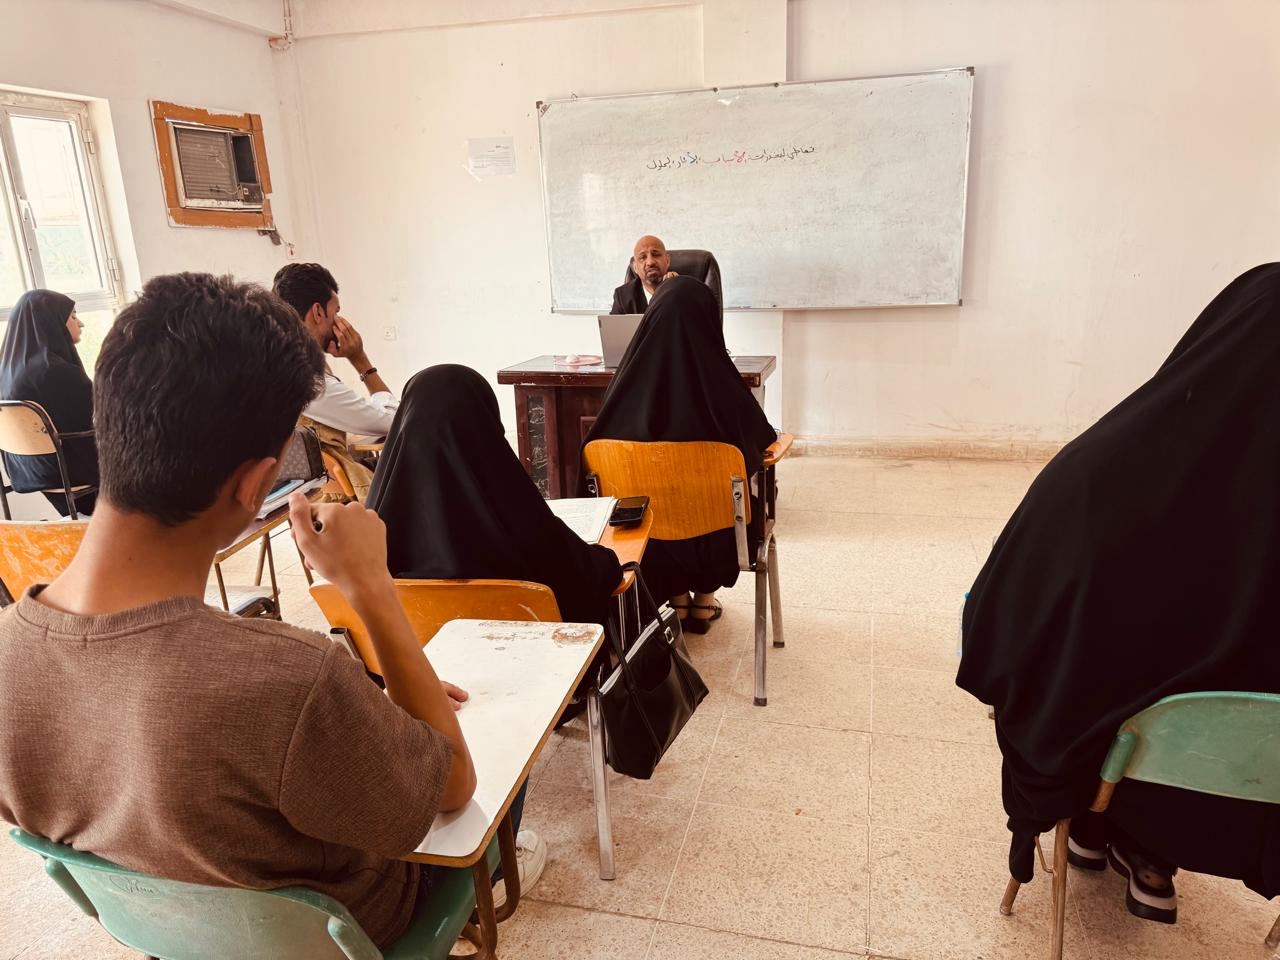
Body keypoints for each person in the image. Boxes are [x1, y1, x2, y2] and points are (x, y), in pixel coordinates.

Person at [0, 272, 477, 949]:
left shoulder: (7, 652)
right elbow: (452, 786)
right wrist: (371, 588)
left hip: (170, 934)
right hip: (349, 936)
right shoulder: (294, 678)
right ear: (256, 485)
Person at [958, 263, 1280, 925]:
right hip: (1254, 805)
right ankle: (1151, 853)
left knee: (1085, 678)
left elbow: (1002, 623)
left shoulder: (1098, 473)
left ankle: (1097, 823)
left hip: (1098, 757)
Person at [367, 363, 624, 901]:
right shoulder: (514, 511)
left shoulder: (371, 535)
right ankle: (501, 866)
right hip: (526, 683)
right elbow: (581, 576)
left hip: (420, 688)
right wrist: (606, 562)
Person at [586, 277, 776, 632]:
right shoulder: (721, 384)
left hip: (646, 539)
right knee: (725, 498)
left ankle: (676, 597)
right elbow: (762, 440)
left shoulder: (625, 388)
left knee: (654, 502)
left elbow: (593, 453)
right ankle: (703, 600)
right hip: (720, 539)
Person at [272, 262, 396, 500]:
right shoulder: (310, 382)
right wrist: (360, 360)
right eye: (336, 311)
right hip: (344, 497)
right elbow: (392, 423)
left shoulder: (276, 366)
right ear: (318, 312)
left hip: (303, 491)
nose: (339, 320)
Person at [0, 289, 97, 515]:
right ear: (51, 322)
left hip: (28, 471)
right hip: (71, 472)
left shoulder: (6, 374)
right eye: (73, 316)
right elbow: (99, 421)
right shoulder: (55, 372)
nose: (80, 323)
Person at [611, 235, 679, 314]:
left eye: (656, 255)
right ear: (635, 267)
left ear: (667, 260)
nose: (650, 262)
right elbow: (613, 322)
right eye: (642, 257)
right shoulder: (622, 297)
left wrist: (677, 291)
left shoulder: (683, 290)